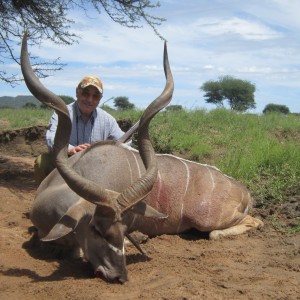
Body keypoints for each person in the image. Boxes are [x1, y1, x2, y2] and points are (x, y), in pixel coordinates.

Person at [34, 75, 125, 185]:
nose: (90, 100)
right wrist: (70, 149)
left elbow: (125, 141)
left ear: (100, 99)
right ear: (77, 92)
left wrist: (106, 152)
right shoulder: (62, 113)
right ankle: (43, 199)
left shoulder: (107, 119)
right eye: (85, 93)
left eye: (95, 96)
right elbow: (51, 137)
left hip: (94, 167)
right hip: (66, 163)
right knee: (42, 162)